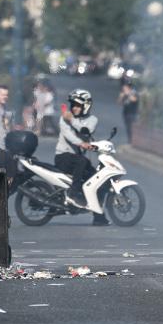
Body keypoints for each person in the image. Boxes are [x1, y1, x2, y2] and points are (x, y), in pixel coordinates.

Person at [56, 89, 109, 226]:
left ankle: (98, 216)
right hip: (64, 157)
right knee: (82, 160)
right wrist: (82, 144)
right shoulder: (64, 118)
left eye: (78, 105)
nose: (74, 108)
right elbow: (70, 137)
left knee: (97, 180)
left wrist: (72, 120)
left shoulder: (92, 120)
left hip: (79, 161)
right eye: (73, 105)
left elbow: (86, 130)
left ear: (86, 106)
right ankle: (73, 194)